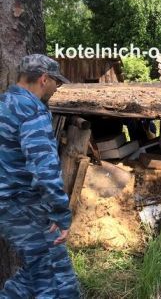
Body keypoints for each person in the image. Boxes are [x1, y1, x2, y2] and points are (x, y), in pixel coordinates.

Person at [0, 54, 80, 298]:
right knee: (53, 279)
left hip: (10, 205)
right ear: (44, 79)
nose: (57, 88)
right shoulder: (31, 111)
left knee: (44, 272)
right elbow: (43, 169)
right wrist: (60, 213)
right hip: (23, 205)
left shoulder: (5, 103)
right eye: (57, 82)